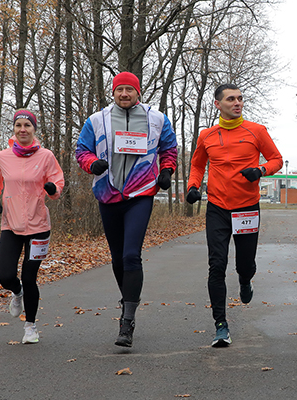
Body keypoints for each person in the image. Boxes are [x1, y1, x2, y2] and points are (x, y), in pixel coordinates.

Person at [75, 71, 178, 347]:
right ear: (113, 92)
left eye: (129, 90)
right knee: (118, 258)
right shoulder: (97, 120)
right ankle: (127, 301)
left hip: (140, 193)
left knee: (132, 255)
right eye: (119, 89)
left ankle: (127, 321)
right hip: (108, 194)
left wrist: (167, 171)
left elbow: (169, 148)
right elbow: (82, 150)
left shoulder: (156, 119)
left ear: (138, 92)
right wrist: (91, 164)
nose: (124, 94)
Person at [186, 83, 283, 347]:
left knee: (245, 264)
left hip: (247, 207)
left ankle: (245, 279)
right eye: (231, 99)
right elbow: (197, 166)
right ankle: (221, 325)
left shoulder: (256, 131)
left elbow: (276, 159)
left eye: (240, 98)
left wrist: (261, 170)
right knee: (216, 265)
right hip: (217, 207)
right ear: (217, 104)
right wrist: (193, 186)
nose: (237, 103)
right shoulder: (207, 136)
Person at [0, 109, 65, 344]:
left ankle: (30, 327)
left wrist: (53, 189)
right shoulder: (3, 156)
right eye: (19, 125)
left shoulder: (46, 156)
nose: (23, 129)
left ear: (34, 129)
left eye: (27, 126)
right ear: (14, 129)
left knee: (30, 277)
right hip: (11, 224)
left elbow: (58, 179)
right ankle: (17, 292)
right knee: (6, 276)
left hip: (39, 225)